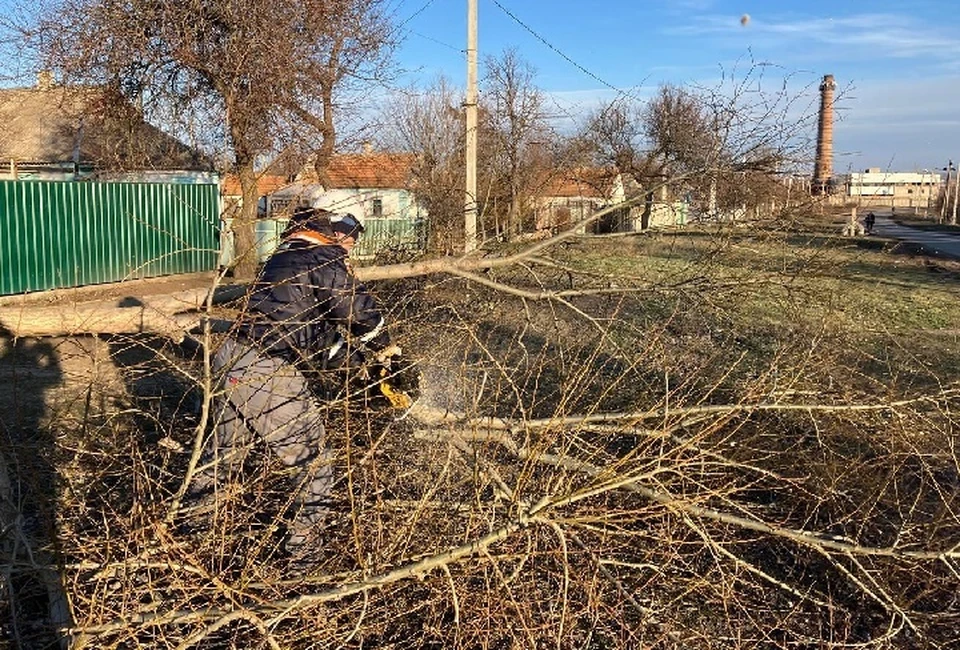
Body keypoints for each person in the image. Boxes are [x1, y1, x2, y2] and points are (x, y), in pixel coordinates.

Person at [194, 205, 400, 555]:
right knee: (314, 464)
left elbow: (309, 332)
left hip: (230, 360)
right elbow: (355, 310)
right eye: (349, 232)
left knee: (221, 460)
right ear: (332, 231)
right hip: (266, 372)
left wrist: (360, 366)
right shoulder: (321, 259)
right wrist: (387, 348)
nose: (351, 243)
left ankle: (192, 534)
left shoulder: (283, 260)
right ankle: (304, 560)